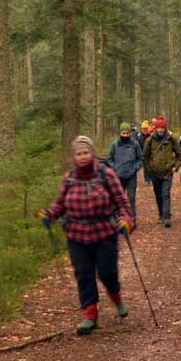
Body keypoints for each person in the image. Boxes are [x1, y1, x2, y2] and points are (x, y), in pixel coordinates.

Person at [39, 136, 135, 335]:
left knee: (107, 273)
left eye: (85, 152)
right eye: (78, 153)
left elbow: (121, 201)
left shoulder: (106, 174)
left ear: (92, 153)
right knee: (83, 274)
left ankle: (116, 297)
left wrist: (126, 220)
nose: (82, 156)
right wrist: (50, 214)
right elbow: (60, 203)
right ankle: (89, 314)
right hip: (76, 235)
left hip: (104, 233)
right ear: (74, 157)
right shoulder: (69, 178)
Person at [142, 115, 181, 227]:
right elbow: (145, 157)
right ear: (155, 128)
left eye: (162, 128)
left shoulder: (171, 139)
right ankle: (161, 214)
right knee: (158, 194)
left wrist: (176, 166)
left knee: (165, 194)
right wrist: (149, 170)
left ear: (165, 128)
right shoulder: (150, 140)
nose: (160, 130)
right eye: (158, 128)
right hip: (154, 173)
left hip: (168, 172)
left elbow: (180, 154)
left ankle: (166, 217)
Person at [104, 123, 143, 222]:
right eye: (123, 133)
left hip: (131, 176)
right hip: (118, 177)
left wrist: (135, 168)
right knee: (118, 199)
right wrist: (115, 168)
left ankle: (132, 219)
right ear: (120, 133)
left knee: (131, 198)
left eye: (127, 133)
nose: (125, 135)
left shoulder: (135, 144)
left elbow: (140, 159)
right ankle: (119, 219)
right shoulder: (114, 144)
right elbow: (109, 159)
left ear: (130, 133)